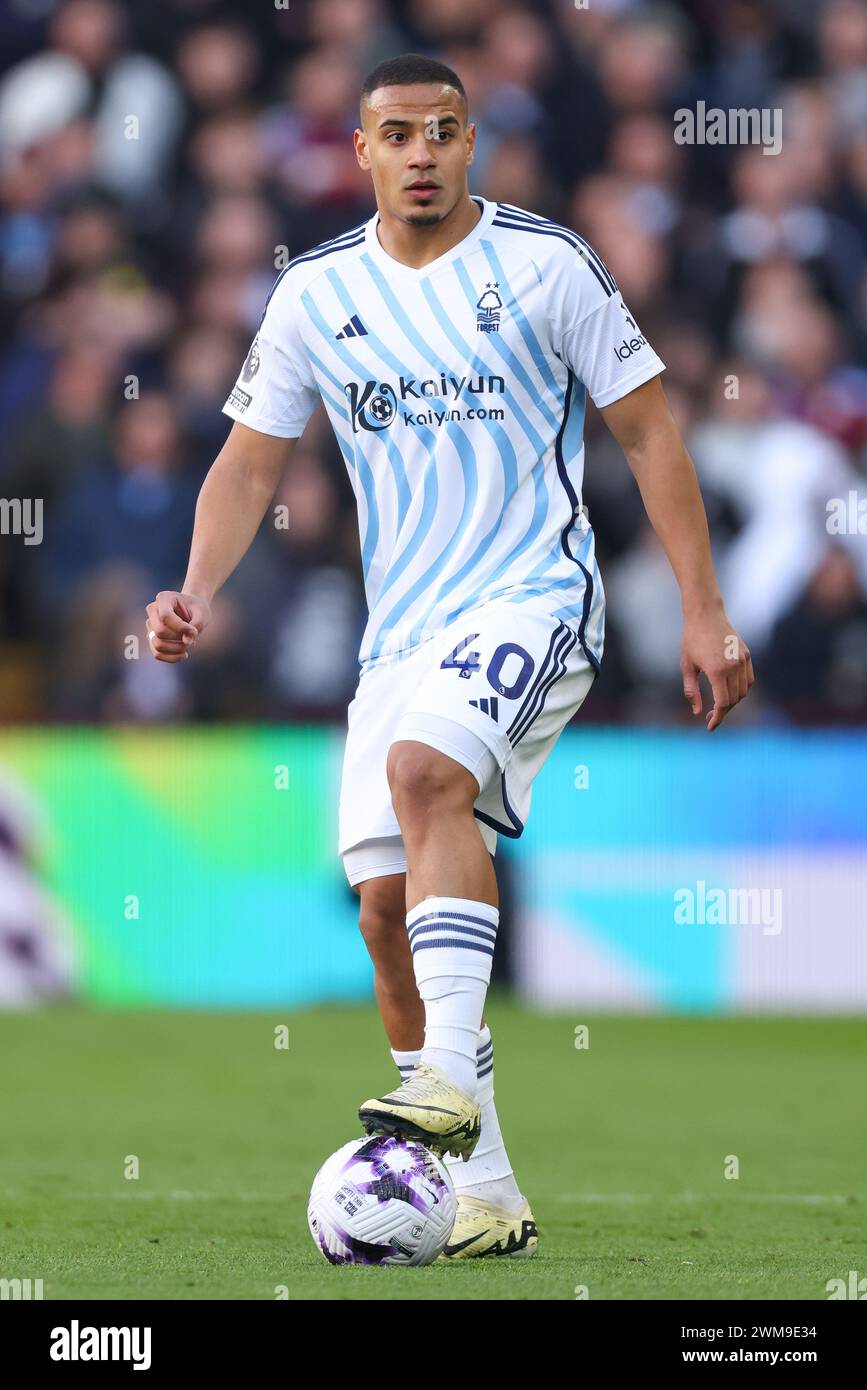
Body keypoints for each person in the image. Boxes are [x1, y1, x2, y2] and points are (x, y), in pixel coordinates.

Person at [146, 53, 754, 1259]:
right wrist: (193, 586)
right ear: (360, 152)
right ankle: (488, 1191)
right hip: (402, 636)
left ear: (472, 142)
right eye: (396, 133)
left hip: (537, 596)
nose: (421, 152)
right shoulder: (316, 293)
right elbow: (251, 460)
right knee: (381, 911)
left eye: (443, 131)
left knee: (431, 777)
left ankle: (441, 1087)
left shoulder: (548, 264)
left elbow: (647, 429)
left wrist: (703, 609)